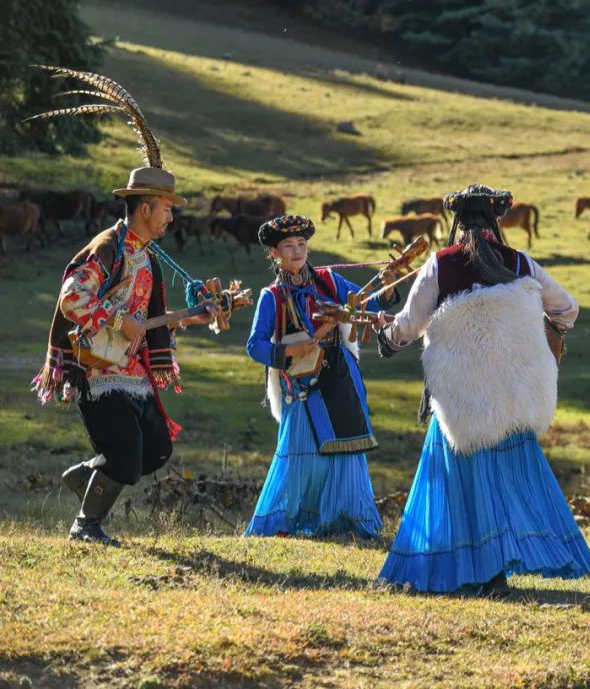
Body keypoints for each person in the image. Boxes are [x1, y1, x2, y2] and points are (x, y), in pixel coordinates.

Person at [372, 184, 590, 594]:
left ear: (456, 224)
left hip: (462, 400)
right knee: (515, 478)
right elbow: (568, 309)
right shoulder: (521, 262)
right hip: (514, 396)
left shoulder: (440, 265)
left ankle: (468, 570)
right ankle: (527, 560)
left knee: (461, 486)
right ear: (497, 221)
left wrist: (385, 334)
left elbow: (406, 328)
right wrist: (540, 332)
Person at [30, 69, 219, 546]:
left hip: (132, 372)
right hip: (97, 369)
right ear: (145, 207)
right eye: (167, 207)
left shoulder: (146, 255)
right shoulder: (108, 247)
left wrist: (196, 317)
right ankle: (85, 525)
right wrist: (117, 318)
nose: (172, 216)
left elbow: (150, 323)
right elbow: (72, 297)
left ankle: (83, 479)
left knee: (155, 452)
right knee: (126, 458)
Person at [244, 214, 397, 538]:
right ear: (275, 253)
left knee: (348, 445)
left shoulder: (329, 280)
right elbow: (254, 345)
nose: (297, 251)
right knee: (303, 452)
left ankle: (346, 520)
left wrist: (385, 286)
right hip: (302, 382)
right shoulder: (271, 296)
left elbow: (363, 303)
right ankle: (292, 520)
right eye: (288, 246)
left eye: (301, 244)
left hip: (339, 373)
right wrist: (291, 351)